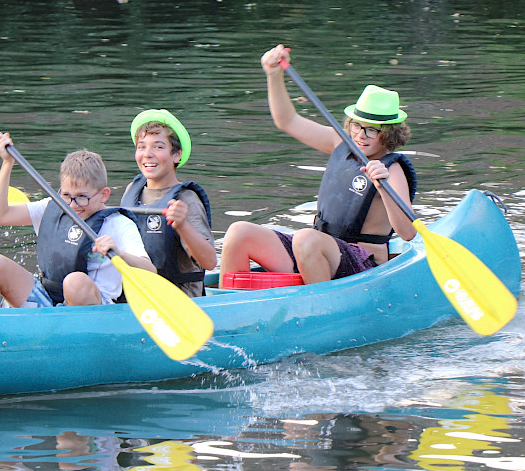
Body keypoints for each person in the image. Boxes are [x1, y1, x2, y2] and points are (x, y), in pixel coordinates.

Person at [220, 44, 418, 284]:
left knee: (306, 238)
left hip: (362, 263)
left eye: (372, 130)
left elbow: (408, 233)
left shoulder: (392, 170)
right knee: (239, 233)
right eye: (356, 125)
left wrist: (382, 188)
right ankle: (231, 305)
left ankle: (318, 309)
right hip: (315, 251)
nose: (360, 135)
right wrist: (274, 75)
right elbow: (288, 121)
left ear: (389, 133)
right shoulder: (339, 143)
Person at [0, 132, 155, 307]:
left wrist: (118, 252)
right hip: (47, 298)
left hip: (93, 311)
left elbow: (150, 271)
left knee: (75, 282)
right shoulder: (52, 205)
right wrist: (7, 163)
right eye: (66, 195)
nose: (73, 205)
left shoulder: (119, 223)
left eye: (82, 197)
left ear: (104, 195)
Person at [120, 109, 216, 297]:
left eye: (158, 147)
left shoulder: (186, 200)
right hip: (137, 293)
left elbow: (210, 262)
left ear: (176, 155)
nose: (148, 154)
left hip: (177, 298)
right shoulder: (132, 189)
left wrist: (182, 226)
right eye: (141, 147)